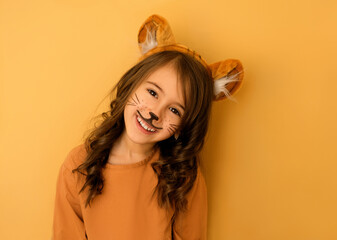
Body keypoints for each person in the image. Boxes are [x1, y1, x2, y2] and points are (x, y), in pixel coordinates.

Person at [52, 15, 243, 240]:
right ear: (131, 86)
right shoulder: (79, 164)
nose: (155, 113)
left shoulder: (184, 176)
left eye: (175, 110)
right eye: (152, 93)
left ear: (184, 125)